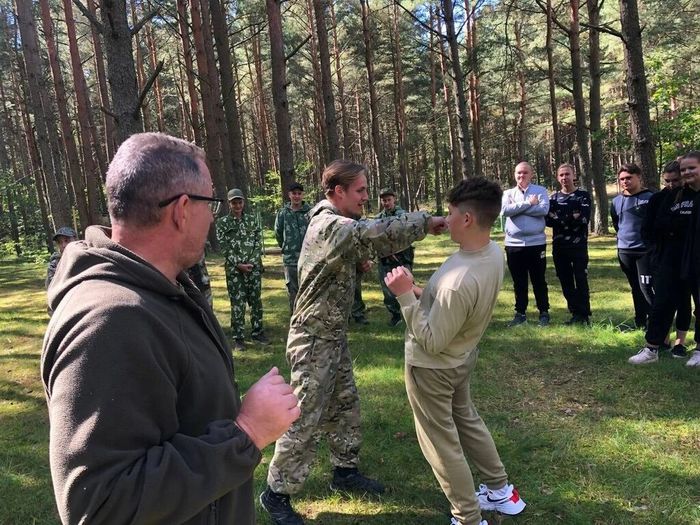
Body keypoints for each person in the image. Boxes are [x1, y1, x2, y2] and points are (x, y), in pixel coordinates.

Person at [41, 132, 300, 525]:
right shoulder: (111, 322)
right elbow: (100, 507)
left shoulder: (162, 289)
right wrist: (245, 433)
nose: (213, 216)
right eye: (210, 202)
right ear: (182, 209)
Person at [260, 159, 447, 525]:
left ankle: (345, 471)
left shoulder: (335, 224)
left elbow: (353, 250)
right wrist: (424, 222)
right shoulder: (329, 224)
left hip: (331, 333)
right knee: (304, 415)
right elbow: (371, 234)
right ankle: (276, 492)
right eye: (360, 191)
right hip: (313, 338)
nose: (365, 197)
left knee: (345, 405)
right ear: (338, 192)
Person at [385, 177, 526, 525]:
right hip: (462, 358)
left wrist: (403, 295)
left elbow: (432, 339)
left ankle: (467, 517)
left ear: (467, 219)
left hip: (433, 367)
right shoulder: (491, 252)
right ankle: (500, 491)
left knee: (441, 443)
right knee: (467, 421)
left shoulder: (459, 281)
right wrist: (421, 291)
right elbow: (451, 308)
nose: (444, 220)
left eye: (449, 214)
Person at [635, 161, 692, 359]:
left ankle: (681, 343)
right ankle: (657, 344)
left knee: (685, 301)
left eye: (675, 180)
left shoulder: (691, 197)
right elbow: (647, 230)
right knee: (662, 301)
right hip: (664, 258)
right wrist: (655, 251)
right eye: (667, 181)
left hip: (689, 257)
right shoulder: (658, 199)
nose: (671, 184)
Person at [217, 188, 269, 350]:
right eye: (234, 203)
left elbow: (257, 243)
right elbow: (224, 247)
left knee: (256, 301)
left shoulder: (252, 221)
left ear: (243, 203)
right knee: (237, 303)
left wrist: (252, 263)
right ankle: (238, 337)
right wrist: (238, 264)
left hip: (253, 268)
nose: (237, 205)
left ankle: (257, 332)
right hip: (235, 271)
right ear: (229, 204)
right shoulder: (223, 223)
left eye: (239, 202)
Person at [501, 161, 551, 327]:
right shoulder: (508, 193)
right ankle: (520, 313)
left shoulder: (541, 191)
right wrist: (529, 204)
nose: (521, 176)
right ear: (514, 175)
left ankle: (544, 312)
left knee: (538, 279)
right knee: (519, 281)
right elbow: (505, 211)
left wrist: (517, 209)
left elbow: (543, 210)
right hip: (513, 245)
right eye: (518, 173)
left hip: (536, 244)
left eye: (524, 173)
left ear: (531, 174)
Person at [545, 164, 592, 325]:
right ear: (558, 178)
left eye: (567, 174)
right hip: (559, 247)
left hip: (578, 246)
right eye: (561, 175)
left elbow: (584, 219)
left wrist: (559, 218)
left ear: (574, 175)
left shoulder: (583, 196)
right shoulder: (553, 198)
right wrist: (571, 217)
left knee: (580, 278)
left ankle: (585, 315)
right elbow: (548, 221)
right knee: (565, 280)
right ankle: (575, 313)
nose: (564, 178)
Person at [611, 163, 655, 330]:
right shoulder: (616, 201)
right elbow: (617, 224)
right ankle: (640, 320)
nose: (625, 181)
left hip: (644, 251)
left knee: (646, 287)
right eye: (622, 179)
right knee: (635, 287)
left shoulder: (650, 198)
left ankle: (657, 321)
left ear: (639, 177)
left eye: (629, 178)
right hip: (624, 250)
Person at [375, 187, 415, 326]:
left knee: (407, 285)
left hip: (401, 257)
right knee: (387, 287)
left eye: (388, 200)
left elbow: (407, 234)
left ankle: (413, 312)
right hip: (385, 258)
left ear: (394, 200)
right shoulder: (378, 218)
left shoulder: (402, 215)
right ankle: (395, 315)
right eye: (384, 200)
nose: (386, 203)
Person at [275, 182, 311, 313]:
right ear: (289, 195)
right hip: (290, 259)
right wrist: (286, 246)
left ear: (302, 195)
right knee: (293, 290)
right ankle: (295, 317)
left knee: (309, 289)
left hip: (308, 258)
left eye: (299, 193)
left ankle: (308, 317)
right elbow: (278, 233)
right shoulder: (283, 213)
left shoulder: (310, 212)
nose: (296, 196)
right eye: (294, 193)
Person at [678, 151, 700, 367]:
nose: (687, 172)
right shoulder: (687, 196)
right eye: (684, 169)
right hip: (690, 259)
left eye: (691, 168)